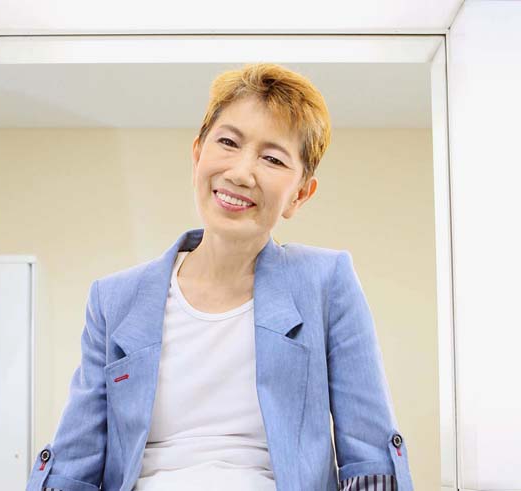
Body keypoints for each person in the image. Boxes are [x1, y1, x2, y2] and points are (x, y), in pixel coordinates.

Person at [26, 63, 414, 491]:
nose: (241, 173)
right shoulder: (114, 299)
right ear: (197, 155)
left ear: (300, 194)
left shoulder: (326, 282)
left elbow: (369, 456)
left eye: (272, 158)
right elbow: (74, 464)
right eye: (228, 142)